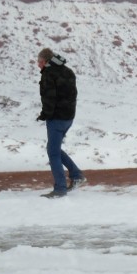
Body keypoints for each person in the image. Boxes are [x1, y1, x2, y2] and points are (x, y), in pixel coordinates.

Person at [36, 48, 85, 198]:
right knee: (54, 149)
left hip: (56, 119)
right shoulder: (68, 71)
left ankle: (60, 189)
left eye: (39, 62)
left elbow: (49, 98)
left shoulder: (49, 74)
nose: (38, 65)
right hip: (68, 118)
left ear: (45, 61)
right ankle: (77, 175)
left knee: (53, 153)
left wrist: (45, 115)